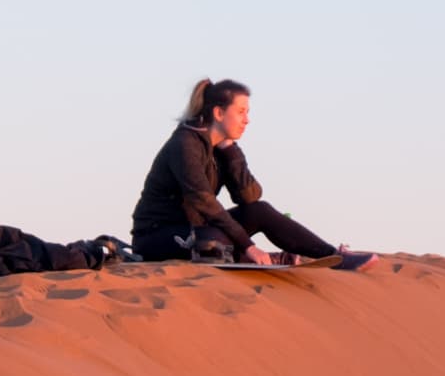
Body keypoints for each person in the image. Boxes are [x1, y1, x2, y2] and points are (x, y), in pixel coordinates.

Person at [130, 78, 372, 271]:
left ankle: (333, 256)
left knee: (260, 210)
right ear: (218, 113)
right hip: (157, 235)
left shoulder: (219, 148)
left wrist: (231, 153)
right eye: (241, 112)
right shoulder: (185, 144)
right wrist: (249, 246)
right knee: (214, 240)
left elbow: (250, 196)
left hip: (199, 229)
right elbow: (204, 202)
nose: (247, 120)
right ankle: (268, 258)